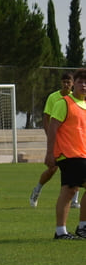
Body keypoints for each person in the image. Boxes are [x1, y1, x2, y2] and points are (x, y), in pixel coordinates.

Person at [44, 68, 86, 240]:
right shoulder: (64, 103)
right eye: (80, 81)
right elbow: (53, 129)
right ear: (73, 84)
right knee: (69, 190)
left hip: (82, 154)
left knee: (70, 190)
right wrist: (49, 153)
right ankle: (67, 230)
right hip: (68, 154)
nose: (83, 85)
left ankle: (72, 229)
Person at [30, 72, 79, 208]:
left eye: (68, 82)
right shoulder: (53, 97)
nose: (66, 84)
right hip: (57, 139)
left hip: (72, 140)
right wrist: (49, 135)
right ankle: (37, 190)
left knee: (77, 167)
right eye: (64, 82)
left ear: (72, 83)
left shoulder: (76, 98)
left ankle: (74, 200)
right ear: (61, 83)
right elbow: (46, 118)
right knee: (53, 169)